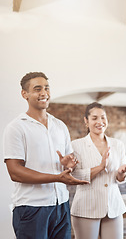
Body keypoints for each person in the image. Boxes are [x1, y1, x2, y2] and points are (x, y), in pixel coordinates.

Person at [3, 72, 89, 239]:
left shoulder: (60, 126)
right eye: (37, 89)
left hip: (61, 205)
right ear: (24, 94)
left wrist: (68, 164)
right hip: (31, 208)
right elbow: (15, 172)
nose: (44, 93)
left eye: (47, 88)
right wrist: (57, 177)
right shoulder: (16, 128)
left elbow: (68, 161)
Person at [70, 102, 126, 239]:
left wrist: (122, 173)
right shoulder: (76, 145)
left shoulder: (118, 144)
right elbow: (74, 176)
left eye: (103, 117)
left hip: (113, 207)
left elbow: (122, 177)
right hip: (86, 208)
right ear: (86, 121)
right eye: (94, 118)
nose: (100, 122)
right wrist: (100, 167)